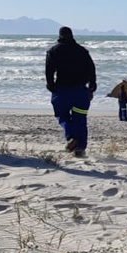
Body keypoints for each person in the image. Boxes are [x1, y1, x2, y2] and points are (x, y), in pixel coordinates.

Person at [45, 26, 96, 157]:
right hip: (80, 91)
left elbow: (49, 72)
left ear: (60, 35)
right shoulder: (82, 51)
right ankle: (80, 148)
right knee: (80, 119)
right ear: (72, 35)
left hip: (62, 91)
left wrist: (51, 87)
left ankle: (71, 137)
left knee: (62, 115)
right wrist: (91, 87)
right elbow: (92, 70)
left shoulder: (53, 51)